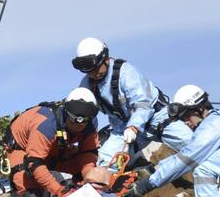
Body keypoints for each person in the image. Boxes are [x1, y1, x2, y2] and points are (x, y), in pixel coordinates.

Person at [73, 37, 191, 165]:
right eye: (88, 71)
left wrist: (133, 127)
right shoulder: (87, 85)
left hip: (158, 119)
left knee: (194, 147)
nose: (92, 74)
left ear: (105, 59)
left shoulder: (125, 72)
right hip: (122, 130)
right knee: (105, 163)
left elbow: (143, 104)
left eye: (95, 68)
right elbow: (81, 110)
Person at [4, 88, 100, 197]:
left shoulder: (90, 123)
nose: (78, 125)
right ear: (66, 113)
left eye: (83, 122)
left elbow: (88, 154)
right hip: (23, 151)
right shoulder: (46, 124)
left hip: (54, 149)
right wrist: (59, 190)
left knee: (85, 177)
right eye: (74, 121)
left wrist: (89, 178)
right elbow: (34, 163)